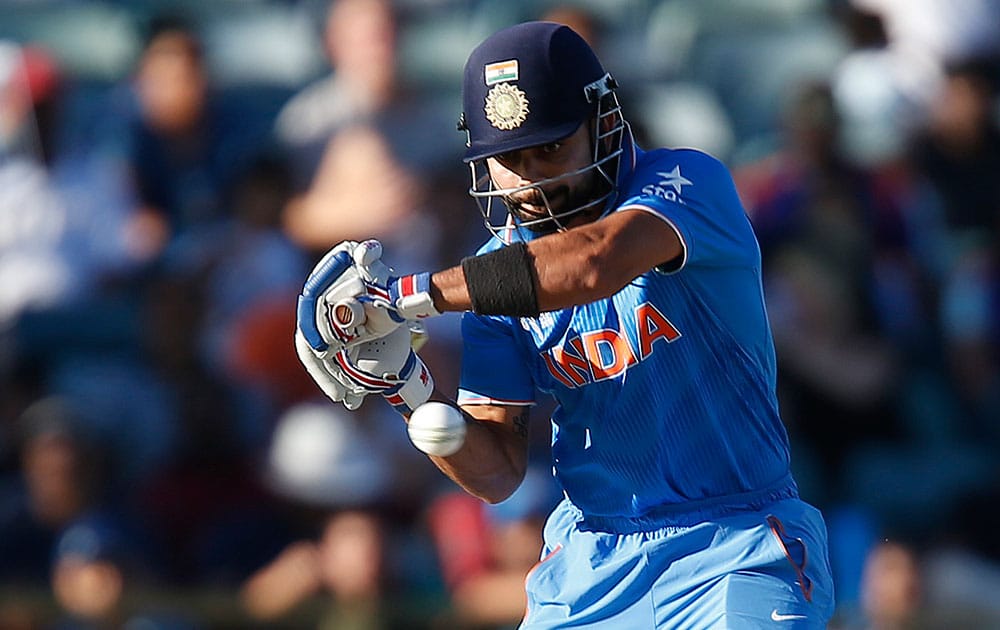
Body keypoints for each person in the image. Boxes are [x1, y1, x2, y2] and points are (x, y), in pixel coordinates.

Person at [295, 21, 835, 627]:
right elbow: (496, 474)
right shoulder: (488, 281)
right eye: (509, 159)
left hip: (736, 543)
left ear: (603, 123)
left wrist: (401, 297)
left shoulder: (687, 184)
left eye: (550, 149)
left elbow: (591, 262)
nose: (532, 181)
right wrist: (407, 389)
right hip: (591, 565)